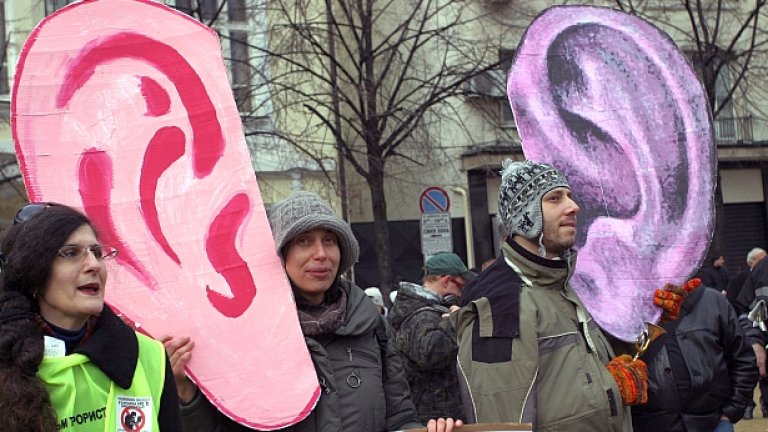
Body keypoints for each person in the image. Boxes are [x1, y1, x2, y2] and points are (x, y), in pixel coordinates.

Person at [164, 191, 462, 432]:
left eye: (329, 240)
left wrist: (432, 429)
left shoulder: (371, 326)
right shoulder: (250, 334)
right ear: (280, 255)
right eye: (304, 241)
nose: (321, 253)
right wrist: (184, 392)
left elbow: (399, 420)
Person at [452, 160, 646, 431]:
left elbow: (567, 384)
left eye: (569, 196)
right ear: (524, 216)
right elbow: (503, 423)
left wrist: (611, 383)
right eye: (555, 198)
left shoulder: (560, 286)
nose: (573, 206)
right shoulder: (502, 303)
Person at [0, 203, 182, 431]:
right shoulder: (8, 362)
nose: (94, 265)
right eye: (71, 253)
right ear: (33, 275)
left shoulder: (149, 356)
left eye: (96, 252)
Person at [632, 278, 757, 432]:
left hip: (713, 423)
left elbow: (743, 359)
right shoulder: (625, 309)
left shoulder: (713, 302)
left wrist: (731, 411)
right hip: (650, 424)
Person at [388, 252, 474, 422]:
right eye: (460, 286)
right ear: (447, 280)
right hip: (432, 417)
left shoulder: (425, 309)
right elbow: (430, 353)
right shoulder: (421, 315)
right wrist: (454, 323)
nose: (460, 293)